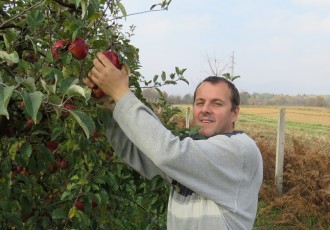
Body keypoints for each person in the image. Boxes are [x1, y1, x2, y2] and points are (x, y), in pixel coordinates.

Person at [83, 53, 263, 230]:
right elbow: (140, 152)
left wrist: (120, 92)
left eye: (217, 103)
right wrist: (110, 104)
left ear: (234, 113)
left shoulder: (240, 150)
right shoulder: (195, 153)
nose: (205, 110)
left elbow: (168, 153)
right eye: (200, 103)